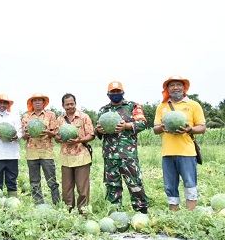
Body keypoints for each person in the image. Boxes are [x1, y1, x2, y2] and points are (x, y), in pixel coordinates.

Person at [153, 75, 206, 211]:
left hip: (187, 152)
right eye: (172, 85)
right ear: (167, 89)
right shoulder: (162, 107)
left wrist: (190, 129)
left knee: (190, 183)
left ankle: (190, 215)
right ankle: (174, 215)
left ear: (184, 88)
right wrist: (162, 128)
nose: (175, 87)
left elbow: (202, 127)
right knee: (170, 186)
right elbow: (156, 129)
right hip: (168, 153)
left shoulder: (193, 105)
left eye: (178, 84)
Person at [95, 81, 149, 214]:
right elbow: (97, 130)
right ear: (108, 94)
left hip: (128, 154)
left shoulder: (132, 106)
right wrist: (99, 131)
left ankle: (141, 211)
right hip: (110, 155)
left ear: (123, 92)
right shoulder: (103, 110)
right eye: (112, 92)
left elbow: (142, 123)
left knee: (135, 183)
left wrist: (127, 126)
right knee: (112, 185)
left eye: (118, 91)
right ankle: (115, 212)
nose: (115, 94)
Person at [55, 93, 94, 213]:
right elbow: (56, 136)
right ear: (63, 105)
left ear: (75, 103)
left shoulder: (84, 117)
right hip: (66, 158)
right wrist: (60, 139)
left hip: (81, 157)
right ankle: (69, 212)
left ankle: (83, 212)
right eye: (67, 104)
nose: (70, 106)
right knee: (66, 189)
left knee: (82, 188)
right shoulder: (60, 119)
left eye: (72, 103)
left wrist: (79, 140)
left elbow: (91, 135)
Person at [20, 93, 60, 205]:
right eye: (35, 100)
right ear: (32, 103)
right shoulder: (26, 116)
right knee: (34, 181)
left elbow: (55, 133)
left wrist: (48, 132)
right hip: (31, 152)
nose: (37, 102)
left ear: (44, 102)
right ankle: (39, 204)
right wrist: (28, 134)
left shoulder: (51, 115)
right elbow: (23, 136)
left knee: (52, 180)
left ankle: (57, 203)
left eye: (40, 100)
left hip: (47, 152)